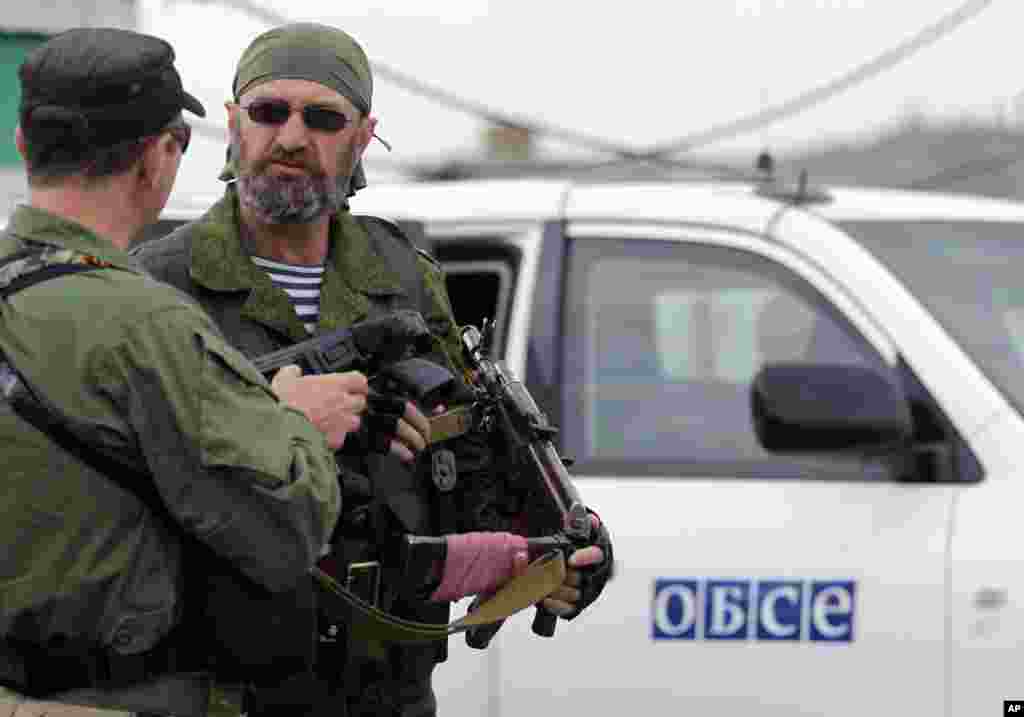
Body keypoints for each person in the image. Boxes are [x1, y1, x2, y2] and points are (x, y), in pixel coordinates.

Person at [132, 22, 613, 717]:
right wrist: (272, 419)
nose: (292, 137)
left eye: (323, 118)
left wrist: (561, 548)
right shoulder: (159, 283)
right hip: (219, 689)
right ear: (233, 125)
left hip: (384, 687)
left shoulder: (403, 279)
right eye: (270, 112)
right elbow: (119, 480)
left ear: (362, 138)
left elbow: (468, 457)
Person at [0, 27, 366, 717]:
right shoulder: (148, 326)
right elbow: (288, 527)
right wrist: (290, 420)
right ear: (158, 156)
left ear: (25, 147)